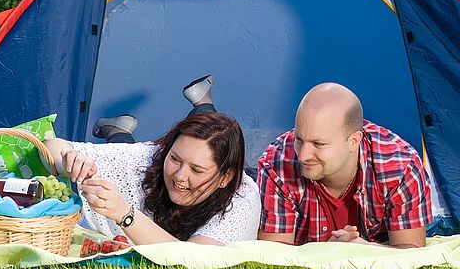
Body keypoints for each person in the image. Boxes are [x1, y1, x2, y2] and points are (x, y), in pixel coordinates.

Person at [43, 77, 260, 246]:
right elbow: (51, 148)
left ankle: (118, 129)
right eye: (175, 159)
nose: (180, 176)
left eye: (197, 169)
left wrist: (125, 214)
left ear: (226, 177)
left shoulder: (242, 199)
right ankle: (118, 130)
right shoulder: (151, 156)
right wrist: (69, 160)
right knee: (129, 152)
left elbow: (194, 260)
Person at [257, 82, 432, 248]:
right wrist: (327, 252)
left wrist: (366, 250)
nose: (303, 155)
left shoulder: (399, 166)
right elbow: (272, 258)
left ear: (354, 141)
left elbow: (412, 254)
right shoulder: (276, 164)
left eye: (319, 144)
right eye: (299, 139)